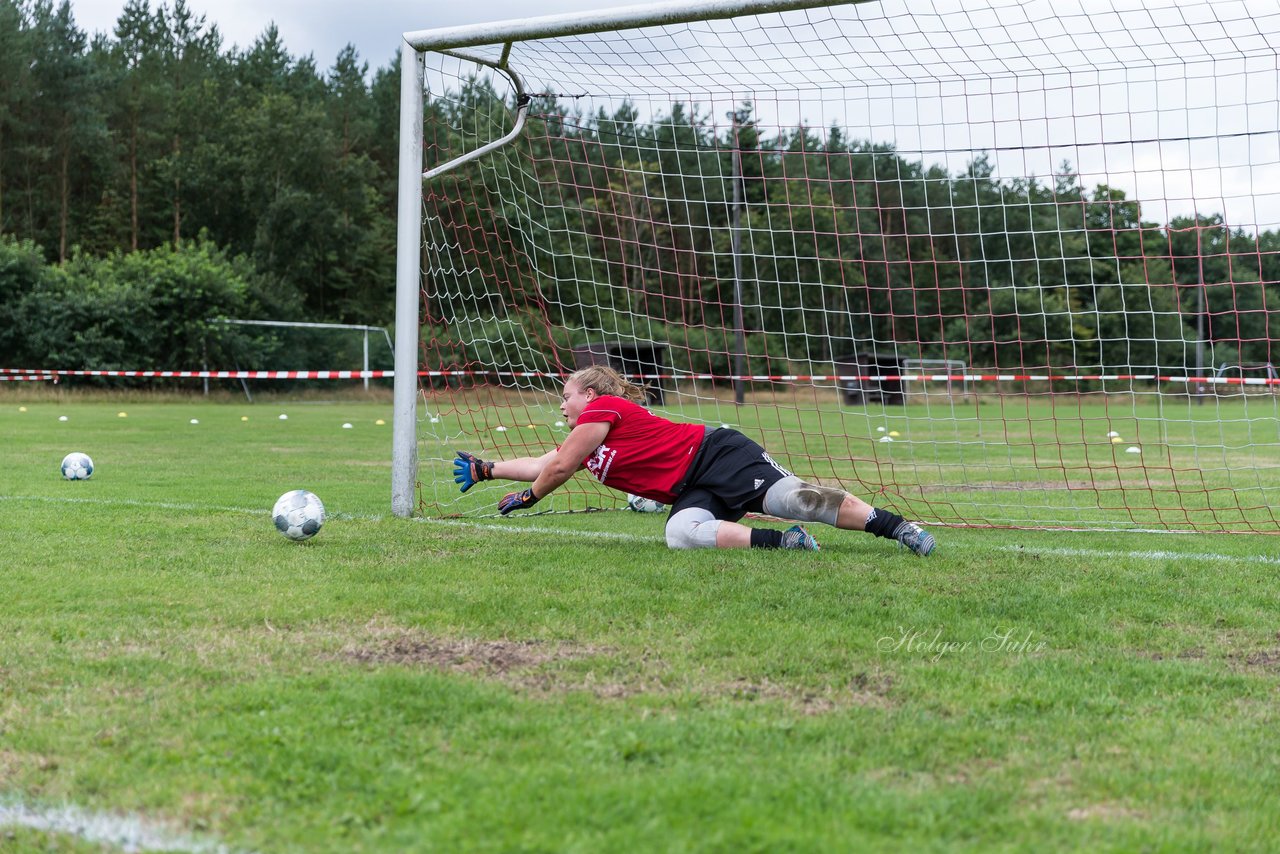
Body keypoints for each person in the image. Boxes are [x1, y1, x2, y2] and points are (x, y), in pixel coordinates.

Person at [451, 365, 936, 556]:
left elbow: (551, 472)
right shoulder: (583, 440)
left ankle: (898, 528)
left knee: (799, 498)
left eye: (566, 396)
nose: (562, 405)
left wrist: (530, 498)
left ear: (591, 394)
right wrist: (486, 469)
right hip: (691, 488)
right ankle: (785, 543)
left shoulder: (605, 409)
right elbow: (545, 462)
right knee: (680, 535)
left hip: (717, 455)